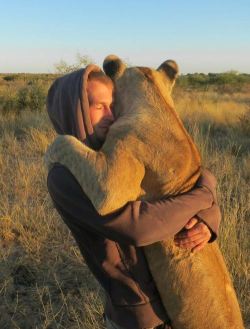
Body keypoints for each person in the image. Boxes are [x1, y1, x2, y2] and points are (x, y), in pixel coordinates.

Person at [46, 65, 221, 329]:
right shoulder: (65, 175)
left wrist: (209, 216)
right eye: (97, 106)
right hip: (140, 315)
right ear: (74, 109)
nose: (111, 115)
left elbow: (182, 179)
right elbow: (139, 228)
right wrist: (203, 197)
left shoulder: (113, 151)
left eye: (112, 104)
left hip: (173, 299)